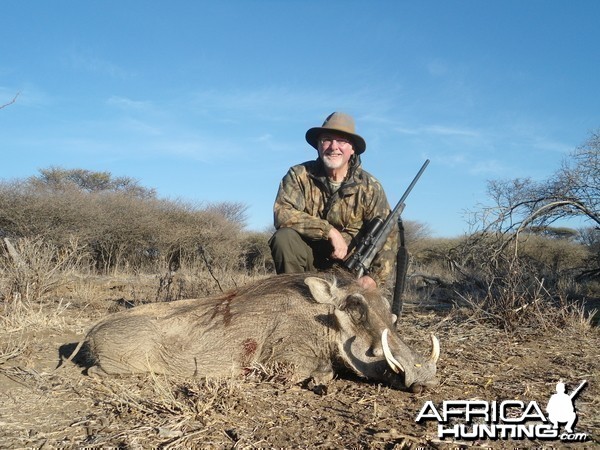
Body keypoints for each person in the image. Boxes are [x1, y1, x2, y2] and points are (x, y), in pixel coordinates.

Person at [269, 112, 398, 290]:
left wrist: (374, 278)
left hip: (350, 271)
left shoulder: (370, 187)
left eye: (342, 141)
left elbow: (388, 237)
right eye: (327, 139)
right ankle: (294, 299)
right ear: (318, 145)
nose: (333, 147)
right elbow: (282, 213)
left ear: (352, 149)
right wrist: (329, 231)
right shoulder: (298, 175)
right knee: (284, 238)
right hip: (308, 262)